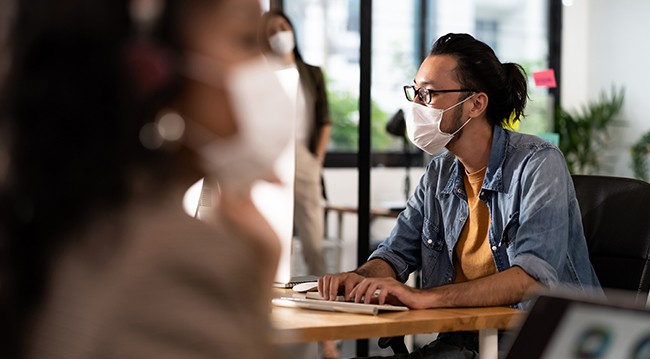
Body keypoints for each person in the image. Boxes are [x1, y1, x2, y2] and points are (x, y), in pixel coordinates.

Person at [0, 0, 293, 358]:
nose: (265, 70)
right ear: (152, 62)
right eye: (247, 40)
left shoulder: (75, 214)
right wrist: (254, 288)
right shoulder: (182, 258)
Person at [318, 33, 602, 358]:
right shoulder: (439, 173)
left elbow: (531, 278)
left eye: (429, 94)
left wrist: (425, 297)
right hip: (463, 345)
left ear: (476, 104)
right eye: (415, 92)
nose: (416, 106)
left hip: (541, 345)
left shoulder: (538, 162)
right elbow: (395, 254)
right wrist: (357, 279)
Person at [259, 10, 337, 359]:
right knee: (273, 244)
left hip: (304, 162)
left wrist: (315, 159)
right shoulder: (258, 73)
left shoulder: (310, 73)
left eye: (283, 26)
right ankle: (266, 326)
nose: (279, 33)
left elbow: (324, 119)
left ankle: (328, 336)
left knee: (313, 245)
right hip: (269, 161)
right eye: (272, 29)